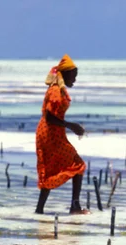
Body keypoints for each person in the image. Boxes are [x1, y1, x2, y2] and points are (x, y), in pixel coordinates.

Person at [35, 54, 88, 214]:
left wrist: (68, 126)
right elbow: (51, 117)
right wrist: (71, 126)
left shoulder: (57, 89)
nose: (75, 80)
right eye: (73, 76)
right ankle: (75, 206)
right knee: (78, 165)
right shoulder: (56, 91)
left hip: (51, 133)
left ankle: (40, 209)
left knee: (51, 168)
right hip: (50, 134)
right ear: (65, 74)